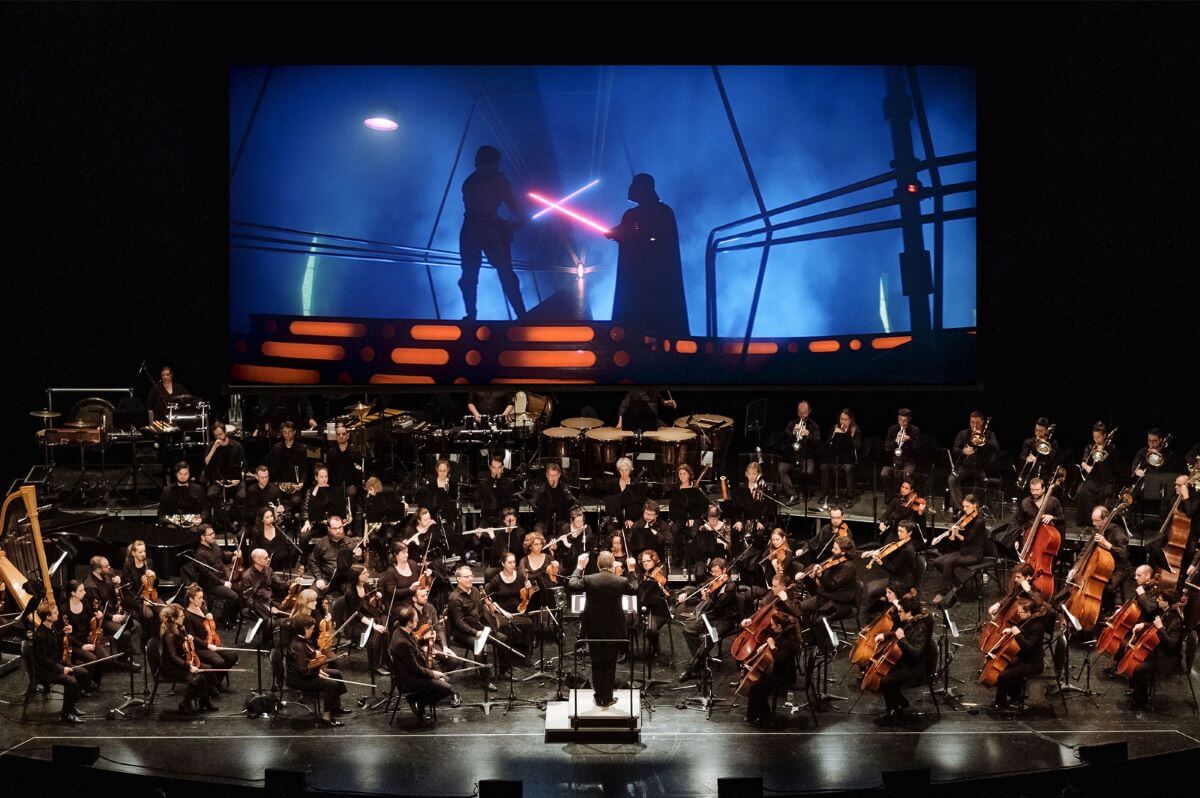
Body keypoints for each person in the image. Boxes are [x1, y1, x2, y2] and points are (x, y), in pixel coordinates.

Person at [604, 173, 688, 335]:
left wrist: (626, 234)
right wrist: (618, 233)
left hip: (656, 278)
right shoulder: (634, 214)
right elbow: (628, 232)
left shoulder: (662, 212)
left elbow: (659, 239)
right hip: (635, 277)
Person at [459, 144, 527, 320]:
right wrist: (523, 220)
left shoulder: (469, 181)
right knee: (505, 272)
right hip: (490, 229)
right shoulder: (496, 179)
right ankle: (521, 315)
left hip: (469, 229)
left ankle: (471, 315)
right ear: (494, 162)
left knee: (469, 274)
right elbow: (512, 203)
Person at [568, 550, 639, 708]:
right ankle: (607, 697)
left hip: (593, 628)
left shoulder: (589, 579)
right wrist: (632, 569)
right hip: (614, 629)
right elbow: (634, 588)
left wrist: (579, 567)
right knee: (610, 663)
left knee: (596, 662)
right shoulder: (621, 581)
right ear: (613, 564)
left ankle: (598, 696)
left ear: (598, 564)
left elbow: (572, 584)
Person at [389, 605, 454, 725]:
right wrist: (433, 674)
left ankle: (420, 702)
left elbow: (414, 651)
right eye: (415, 619)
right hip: (409, 679)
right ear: (409, 623)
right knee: (447, 689)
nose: (418, 620)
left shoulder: (401, 631)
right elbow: (415, 669)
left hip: (413, 673)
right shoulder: (402, 643)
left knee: (447, 680)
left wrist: (426, 651)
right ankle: (416, 700)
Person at [875, 595, 934, 725]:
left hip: (917, 670)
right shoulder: (911, 622)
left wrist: (902, 639)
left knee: (886, 681)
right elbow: (900, 633)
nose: (899, 613)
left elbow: (916, 653)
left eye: (901, 611)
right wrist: (885, 635)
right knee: (885, 673)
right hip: (909, 664)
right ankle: (899, 702)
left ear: (909, 613)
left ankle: (892, 713)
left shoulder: (920, 629)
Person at [677, 557, 738, 680]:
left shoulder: (730, 586)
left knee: (709, 638)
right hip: (712, 616)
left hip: (725, 620)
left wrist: (710, 596)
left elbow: (719, 607)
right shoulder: (713, 580)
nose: (714, 574)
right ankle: (703, 659)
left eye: (716, 571)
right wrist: (686, 593)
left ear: (724, 570)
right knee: (687, 630)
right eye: (712, 571)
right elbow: (699, 587)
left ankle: (692, 669)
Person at [31, 601, 93, 723]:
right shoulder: (39, 635)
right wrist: (62, 669)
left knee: (83, 673)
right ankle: (66, 714)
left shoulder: (52, 627)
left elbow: (55, 640)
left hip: (56, 664)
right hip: (45, 670)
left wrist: (64, 632)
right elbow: (43, 660)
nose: (58, 614)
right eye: (55, 613)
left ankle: (71, 706)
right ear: (48, 617)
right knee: (71, 681)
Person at [286, 614, 349, 727]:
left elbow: (310, 663)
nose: (313, 630)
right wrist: (318, 674)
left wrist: (319, 670)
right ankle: (326, 718)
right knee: (331, 684)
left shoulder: (304, 641)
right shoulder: (297, 646)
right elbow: (304, 670)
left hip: (306, 673)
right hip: (298, 679)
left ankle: (335, 707)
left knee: (336, 674)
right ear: (304, 629)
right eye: (311, 628)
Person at [1127, 590, 1185, 710]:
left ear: (1167, 602)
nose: (1157, 600)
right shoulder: (1165, 612)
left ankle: (1141, 701)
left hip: (1167, 658)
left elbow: (1172, 644)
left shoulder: (1177, 621)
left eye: (1160, 599)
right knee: (1133, 658)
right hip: (1157, 651)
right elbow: (1154, 626)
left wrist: (1160, 628)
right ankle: (1137, 691)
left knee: (1139, 669)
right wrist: (1143, 625)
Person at [988, 598, 1048, 711]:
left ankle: (1001, 704)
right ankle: (1014, 697)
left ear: (1028, 613)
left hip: (1033, 664)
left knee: (1003, 675)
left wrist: (1017, 634)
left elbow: (1028, 647)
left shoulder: (1037, 627)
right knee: (1004, 667)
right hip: (1024, 659)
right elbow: (1022, 632)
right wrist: (1011, 630)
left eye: (1020, 612)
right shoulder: (1026, 621)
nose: (1018, 614)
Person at [929, 495, 988, 607]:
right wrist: (943, 536)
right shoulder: (967, 517)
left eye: (967, 506)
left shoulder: (979, 521)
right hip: (964, 551)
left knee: (948, 562)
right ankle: (958, 583)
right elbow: (958, 531)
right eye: (963, 506)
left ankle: (943, 591)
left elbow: (968, 539)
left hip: (975, 554)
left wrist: (957, 534)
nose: (964, 509)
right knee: (937, 561)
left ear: (975, 506)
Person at [158, 603, 215, 716]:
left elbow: (182, 644)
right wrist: (189, 667)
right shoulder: (169, 635)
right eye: (181, 616)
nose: (184, 617)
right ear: (173, 619)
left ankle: (204, 701)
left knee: (207, 671)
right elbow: (173, 657)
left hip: (181, 662)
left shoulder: (179, 628)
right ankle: (185, 704)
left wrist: (187, 637)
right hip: (171, 667)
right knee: (197, 678)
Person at [861, 520, 918, 619]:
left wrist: (880, 562)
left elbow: (892, 568)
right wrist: (873, 552)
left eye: (901, 531)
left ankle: (871, 618)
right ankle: (874, 615)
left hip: (901, 583)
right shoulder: (902, 542)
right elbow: (889, 553)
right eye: (898, 530)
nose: (898, 533)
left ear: (909, 533)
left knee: (871, 592)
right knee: (871, 587)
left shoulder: (907, 550)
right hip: (896, 577)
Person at [948, 411, 998, 508]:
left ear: (982, 422)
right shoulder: (963, 434)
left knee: (987, 482)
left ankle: (981, 509)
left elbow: (996, 448)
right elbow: (954, 449)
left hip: (982, 468)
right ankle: (962, 508)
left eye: (978, 423)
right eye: (972, 422)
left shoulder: (989, 434)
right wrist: (963, 451)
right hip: (965, 467)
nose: (975, 425)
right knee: (952, 479)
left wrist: (984, 440)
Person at [191, 524, 241, 623]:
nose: (213, 536)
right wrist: (223, 583)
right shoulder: (200, 554)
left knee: (242, 589)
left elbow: (224, 557)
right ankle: (224, 617)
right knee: (234, 597)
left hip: (223, 578)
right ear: (203, 537)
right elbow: (207, 574)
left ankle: (232, 616)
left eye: (213, 533)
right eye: (210, 534)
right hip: (211, 584)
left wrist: (233, 555)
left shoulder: (215, 546)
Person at [1075, 422, 1118, 526]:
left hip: (1106, 479)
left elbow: (1113, 467)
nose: (1096, 440)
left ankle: (1101, 521)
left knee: (1106, 492)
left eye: (1098, 437)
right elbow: (1083, 461)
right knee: (1081, 491)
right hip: (1092, 479)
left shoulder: (1111, 448)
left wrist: (1102, 453)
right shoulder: (1090, 447)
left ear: (1104, 436)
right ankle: (1086, 520)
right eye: (1094, 437)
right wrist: (1086, 466)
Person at [307, 514, 362, 594]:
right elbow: (313, 561)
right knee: (311, 594)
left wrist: (358, 556)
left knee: (352, 593)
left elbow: (355, 563)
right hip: (326, 578)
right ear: (329, 528)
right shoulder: (322, 543)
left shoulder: (350, 542)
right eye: (335, 528)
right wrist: (319, 578)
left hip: (344, 579)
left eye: (340, 527)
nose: (338, 531)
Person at [779, 400, 821, 505]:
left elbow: (817, 444)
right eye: (800, 412)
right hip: (792, 456)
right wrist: (793, 433)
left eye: (804, 413)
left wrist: (808, 435)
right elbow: (784, 442)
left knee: (808, 471)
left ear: (809, 411)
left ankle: (805, 492)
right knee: (781, 468)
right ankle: (793, 494)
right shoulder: (792, 424)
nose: (802, 415)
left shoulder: (814, 425)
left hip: (807, 456)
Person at [668, 464, 708, 571]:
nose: (682, 476)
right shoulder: (676, 489)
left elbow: (704, 505)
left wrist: (692, 517)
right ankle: (679, 557)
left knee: (693, 533)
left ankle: (691, 560)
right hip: (681, 517)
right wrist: (679, 518)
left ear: (689, 474)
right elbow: (673, 506)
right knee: (675, 530)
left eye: (684, 473)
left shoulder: (696, 487)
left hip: (695, 516)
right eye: (680, 474)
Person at [819, 408, 861, 508]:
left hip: (849, 461)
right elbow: (828, 444)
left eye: (846, 419)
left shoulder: (855, 429)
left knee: (848, 468)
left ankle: (850, 497)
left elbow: (858, 446)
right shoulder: (834, 428)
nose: (843, 421)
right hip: (835, 459)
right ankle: (824, 495)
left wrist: (847, 436)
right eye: (841, 419)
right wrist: (834, 435)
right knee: (823, 467)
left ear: (850, 420)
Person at [202, 421, 246, 508]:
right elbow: (206, 463)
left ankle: (233, 514)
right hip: (218, 479)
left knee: (241, 495)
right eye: (216, 436)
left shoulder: (237, 446)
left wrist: (240, 476)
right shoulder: (212, 446)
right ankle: (221, 515)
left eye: (220, 434)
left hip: (235, 478)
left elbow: (244, 464)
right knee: (211, 494)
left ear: (225, 432)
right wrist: (214, 448)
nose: (218, 437)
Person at [880, 408, 920, 494]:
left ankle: (906, 498)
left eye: (905, 420)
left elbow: (918, 448)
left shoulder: (915, 430)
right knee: (884, 473)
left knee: (907, 473)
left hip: (909, 461)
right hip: (895, 461)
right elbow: (887, 446)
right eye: (900, 420)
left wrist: (909, 439)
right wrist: (895, 441)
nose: (902, 423)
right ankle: (891, 495)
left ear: (909, 420)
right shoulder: (892, 429)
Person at [530, 462, 576, 531]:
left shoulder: (565, 488)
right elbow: (534, 506)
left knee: (566, 529)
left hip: (561, 520)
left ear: (559, 475)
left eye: (555, 475)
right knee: (538, 530)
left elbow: (571, 504)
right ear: (547, 475)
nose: (553, 478)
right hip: (544, 521)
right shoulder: (541, 489)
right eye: (550, 475)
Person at [325, 423, 364, 500]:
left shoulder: (355, 452)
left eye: (343, 434)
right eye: (338, 434)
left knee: (351, 491)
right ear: (335, 436)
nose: (341, 436)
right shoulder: (331, 452)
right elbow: (328, 471)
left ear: (347, 436)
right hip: (335, 484)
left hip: (350, 484)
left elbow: (358, 472)